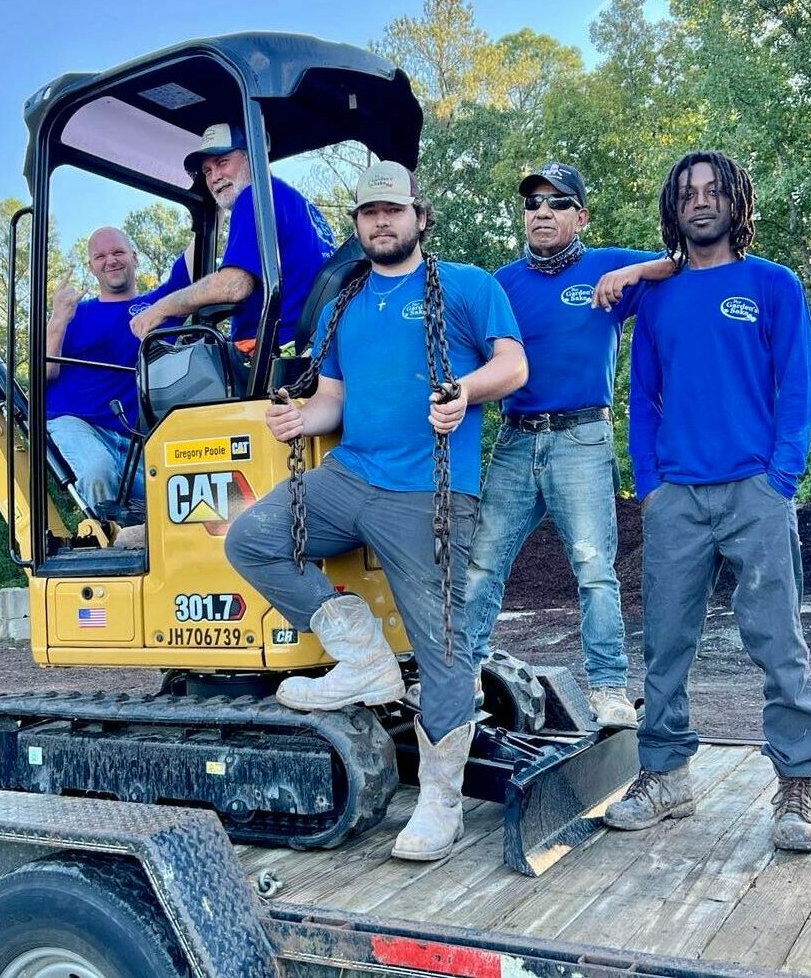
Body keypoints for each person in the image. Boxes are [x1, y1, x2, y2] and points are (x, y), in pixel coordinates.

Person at [224, 161, 527, 861]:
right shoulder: (343, 304)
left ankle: (441, 803)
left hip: (428, 490)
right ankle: (360, 657)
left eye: (392, 210)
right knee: (253, 537)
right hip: (349, 474)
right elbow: (333, 395)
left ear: (419, 217)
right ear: (357, 224)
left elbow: (512, 366)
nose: (380, 222)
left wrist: (466, 389)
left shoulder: (466, 287)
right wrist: (303, 418)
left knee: (442, 647)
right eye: (368, 213)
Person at [604, 151, 811, 852]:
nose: (700, 201)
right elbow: (642, 395)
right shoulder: (657, 296)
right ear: (674, 208)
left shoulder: (772, 283)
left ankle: (795, 785)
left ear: (735, 202)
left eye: (712, 190)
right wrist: (651, 481)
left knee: (777, 642)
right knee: (664, 644)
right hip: (676, 497)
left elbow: (796, 386)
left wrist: (780, 477)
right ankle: (665, 776)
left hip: (754, 491)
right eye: (687, 193)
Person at [461, 162, 673, 728]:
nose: (543, 212)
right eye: (533, 204)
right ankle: (463, 677)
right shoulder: (501, 283)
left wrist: (631, 275)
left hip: (582, 437)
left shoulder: (606, 265)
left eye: (558, 203)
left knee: (593, 567)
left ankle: (608, 689)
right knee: (483, 563)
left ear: (580, 216)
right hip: (514, 438)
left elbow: (680, 260)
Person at [129, 123, 335, 355]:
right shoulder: (304, 208)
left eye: (222, 163)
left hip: (273, 353)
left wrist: (160, 309)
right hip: (311, 349)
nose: (215, 177)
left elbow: (233, 286)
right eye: (207, 171)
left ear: (252, 158)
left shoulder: (254, 196)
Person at [46, 226, 184, 510]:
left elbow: (195, 259)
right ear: (91, 267)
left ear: (135, 258)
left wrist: (214, 199)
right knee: (98, 470)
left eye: (118, 252)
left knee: (177, 492)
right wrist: (58, 319)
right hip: (78, 423)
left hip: (133, 438)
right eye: (100, 256)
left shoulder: (158, 306)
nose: (111, 260)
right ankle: (103, 547)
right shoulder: (75, 314)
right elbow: (46, 374)